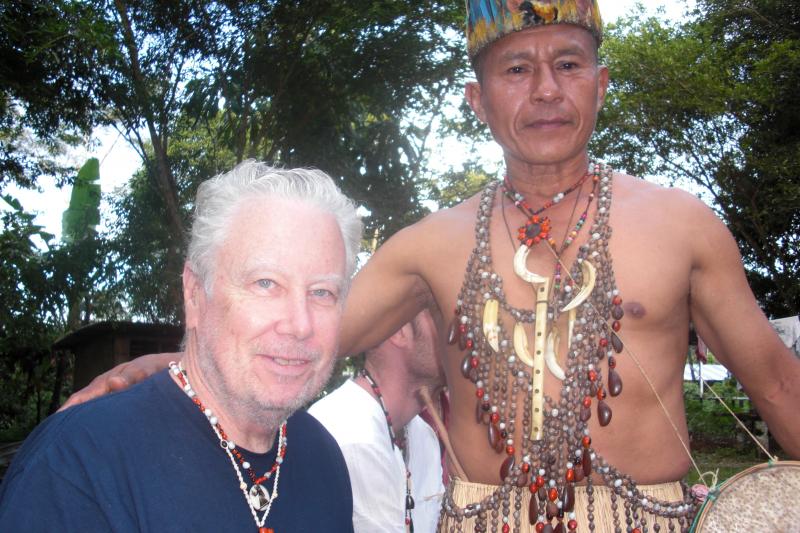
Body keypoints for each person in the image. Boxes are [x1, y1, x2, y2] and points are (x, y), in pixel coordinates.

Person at [62, 1, 800, 531]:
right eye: (517, 67)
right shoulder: (430, 247)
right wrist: (156, 367)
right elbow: (297, 340)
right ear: (478, 101)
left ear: (600, 84)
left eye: (568, 63)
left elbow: (775, 381)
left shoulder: (684, 227)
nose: (546, 89)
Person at [0, 162, 362, 532]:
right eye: (265, 283)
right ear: (194, 294)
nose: (299, 325)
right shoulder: (76, 468)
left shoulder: (323, 456)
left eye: (322, 292)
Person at [308, 310, 447, 533]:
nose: (457, 333)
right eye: (438, 315)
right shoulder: (350, 435)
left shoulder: (422, 435)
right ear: (399, 330)